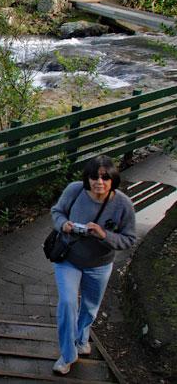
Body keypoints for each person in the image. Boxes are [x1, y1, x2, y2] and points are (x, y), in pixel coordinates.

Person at [49, 155, 136, 375]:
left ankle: (82, 337)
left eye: (105, 178)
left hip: (99, 264)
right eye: (94, 177)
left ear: (112, 179)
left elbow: (129, 239)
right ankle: (68, 355)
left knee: (89, 306)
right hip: (68, 258)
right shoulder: (75, 191)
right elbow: (56, 212)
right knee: (68, 303)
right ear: (87, 178)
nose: (99, 182)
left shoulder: (123, 205)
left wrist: (103, 234)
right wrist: (63, 225)